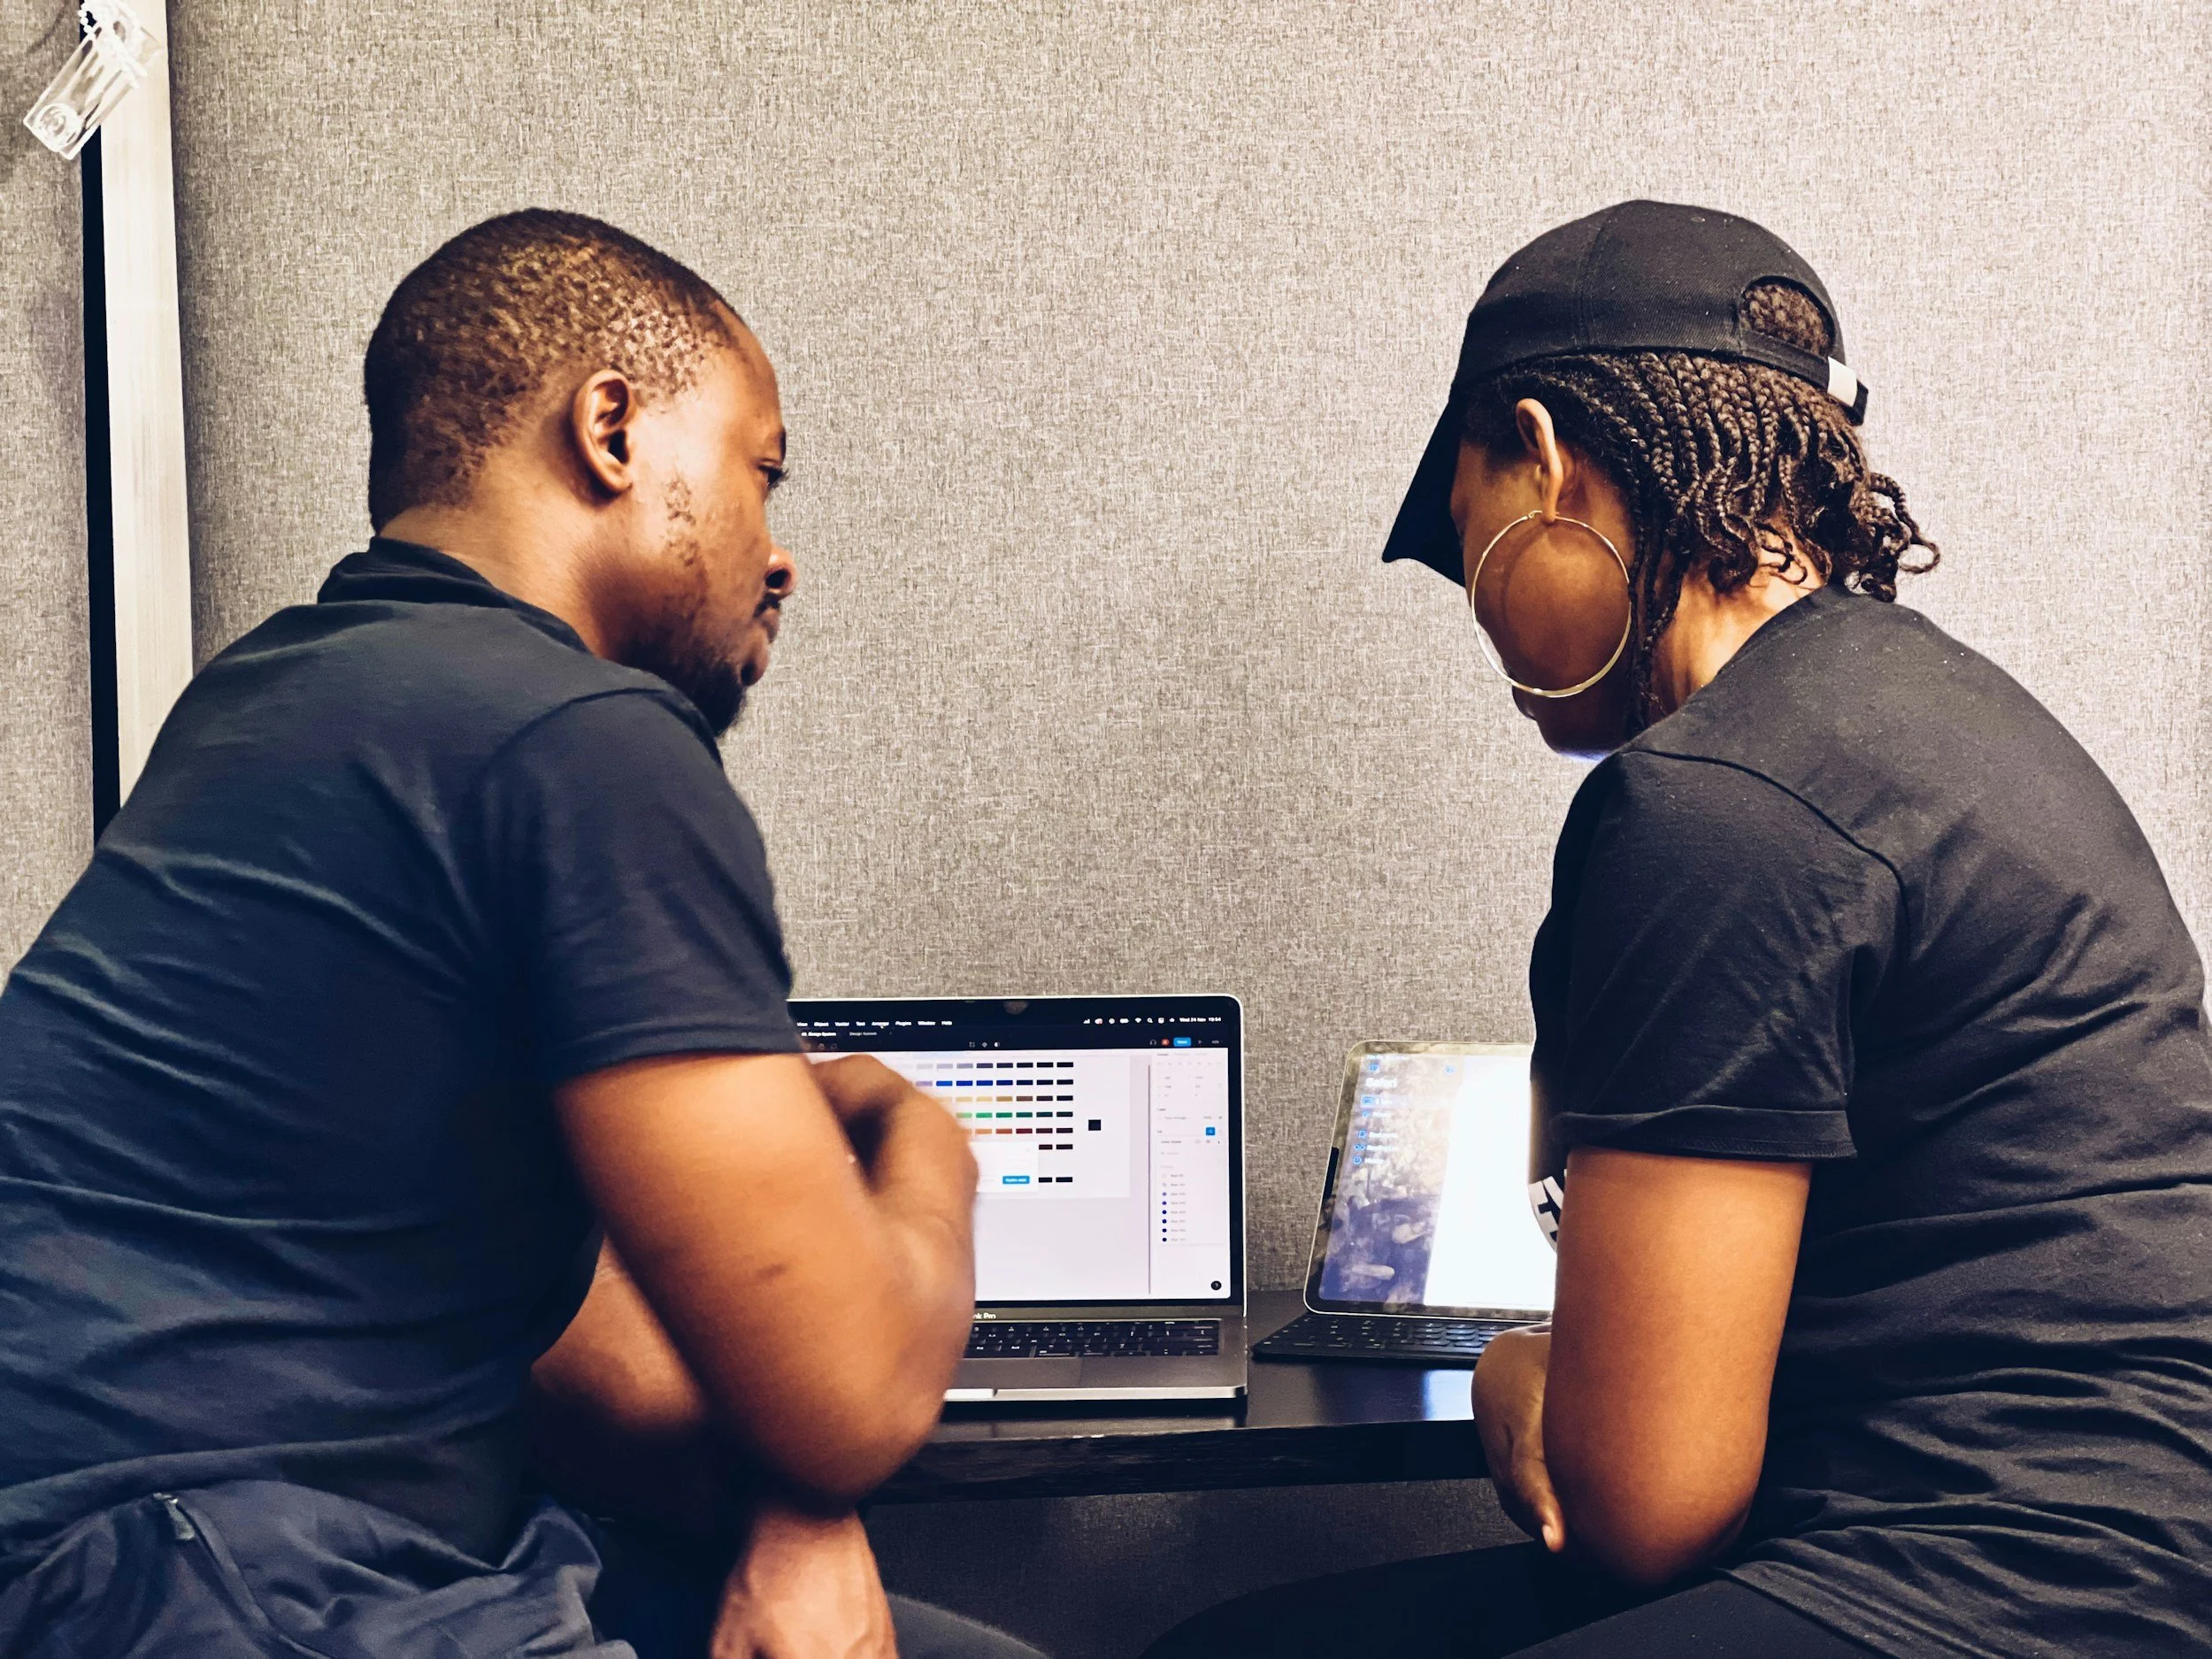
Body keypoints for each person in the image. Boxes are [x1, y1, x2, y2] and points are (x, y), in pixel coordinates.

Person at [1146, 201, 2212, 1656]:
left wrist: (1518, 1376)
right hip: (2108, 1547)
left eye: (1470, 557)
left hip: (1992, 1582)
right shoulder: (1933, 716)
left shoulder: (1720, 796)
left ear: (1543, 457)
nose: (1484, 624)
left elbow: (1643, 1507)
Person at [0, 210, 1041, 1659]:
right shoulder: (578, 739)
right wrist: (912, 1125)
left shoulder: (268, 700)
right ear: (611, 430)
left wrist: (789, 1519)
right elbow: (854, 1389)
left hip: (170, 1547)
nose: (781, 552)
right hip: (216, 1578)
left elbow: (568, 1343)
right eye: (761, 470)